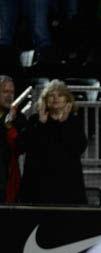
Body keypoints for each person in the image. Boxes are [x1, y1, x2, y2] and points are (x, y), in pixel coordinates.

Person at [18, 79, 88, 205]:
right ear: (45, 100)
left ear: (67, 100)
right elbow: (22, 145)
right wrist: (40, 124)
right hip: (38, 188)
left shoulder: (74, 122)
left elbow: (79, 148)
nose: (56, 98)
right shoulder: (35, 120)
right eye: (51, 95)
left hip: (67, 187)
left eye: (60, 95)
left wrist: (64, 124)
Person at [0, 75, 26, 203]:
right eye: (5, 91)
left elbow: (21, 147)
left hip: (8, 175)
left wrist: (9, 125)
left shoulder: (19, 118)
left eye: (12, 92)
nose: (9, 96)